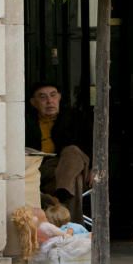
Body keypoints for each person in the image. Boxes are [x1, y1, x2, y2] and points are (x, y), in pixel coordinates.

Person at [24, 82, 91, 221]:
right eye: (43, 97)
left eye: (53, 95)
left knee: (71, 151)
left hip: (70, 164)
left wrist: (96, 168)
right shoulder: (26, 122)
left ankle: (59, 198)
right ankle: (72, 225)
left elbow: (91, 144)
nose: (49, 101)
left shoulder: (73, 118)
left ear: (59, 97)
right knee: (75, 180)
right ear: (33, 102)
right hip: (42, 169)